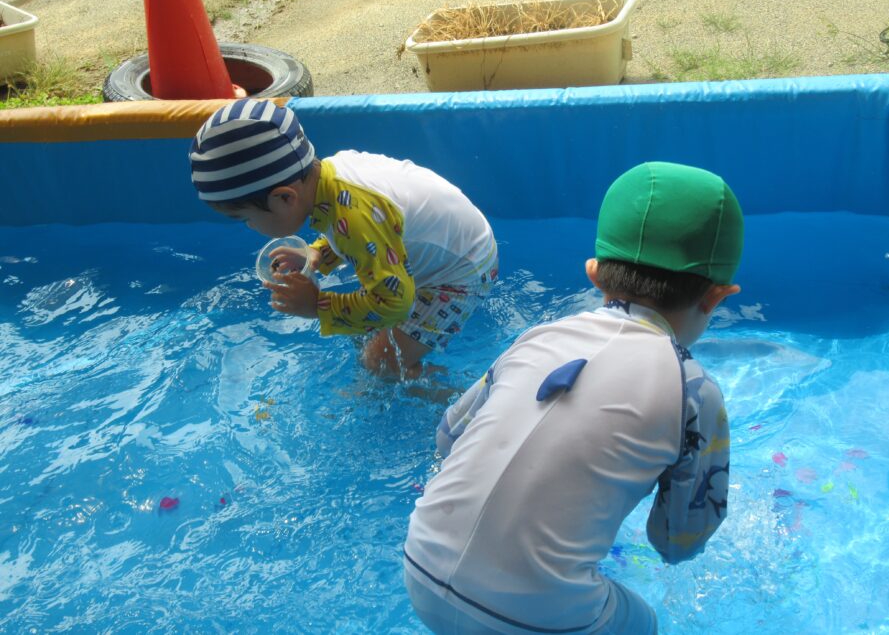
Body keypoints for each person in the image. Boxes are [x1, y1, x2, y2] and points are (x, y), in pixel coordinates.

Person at [403, 161, 743, 633]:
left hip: (419, 566)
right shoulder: (693, 391)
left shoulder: (537, 337)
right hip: (535, 618)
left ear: (594, 274)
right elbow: (676, 542)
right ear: (717, 297)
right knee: (642, 623)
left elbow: (448, 439)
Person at [189, 98, 498, 378]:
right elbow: (367, 232)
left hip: (461, 274)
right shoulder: (331, 178)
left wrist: (318, 306)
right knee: (364, 330)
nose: (250, 227)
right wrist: (317, 254)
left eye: (246, 218)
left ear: (284, 197)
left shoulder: (355, 213)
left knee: (379, 363)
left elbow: (394, 303)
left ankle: (460, 398)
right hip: (454, 245)